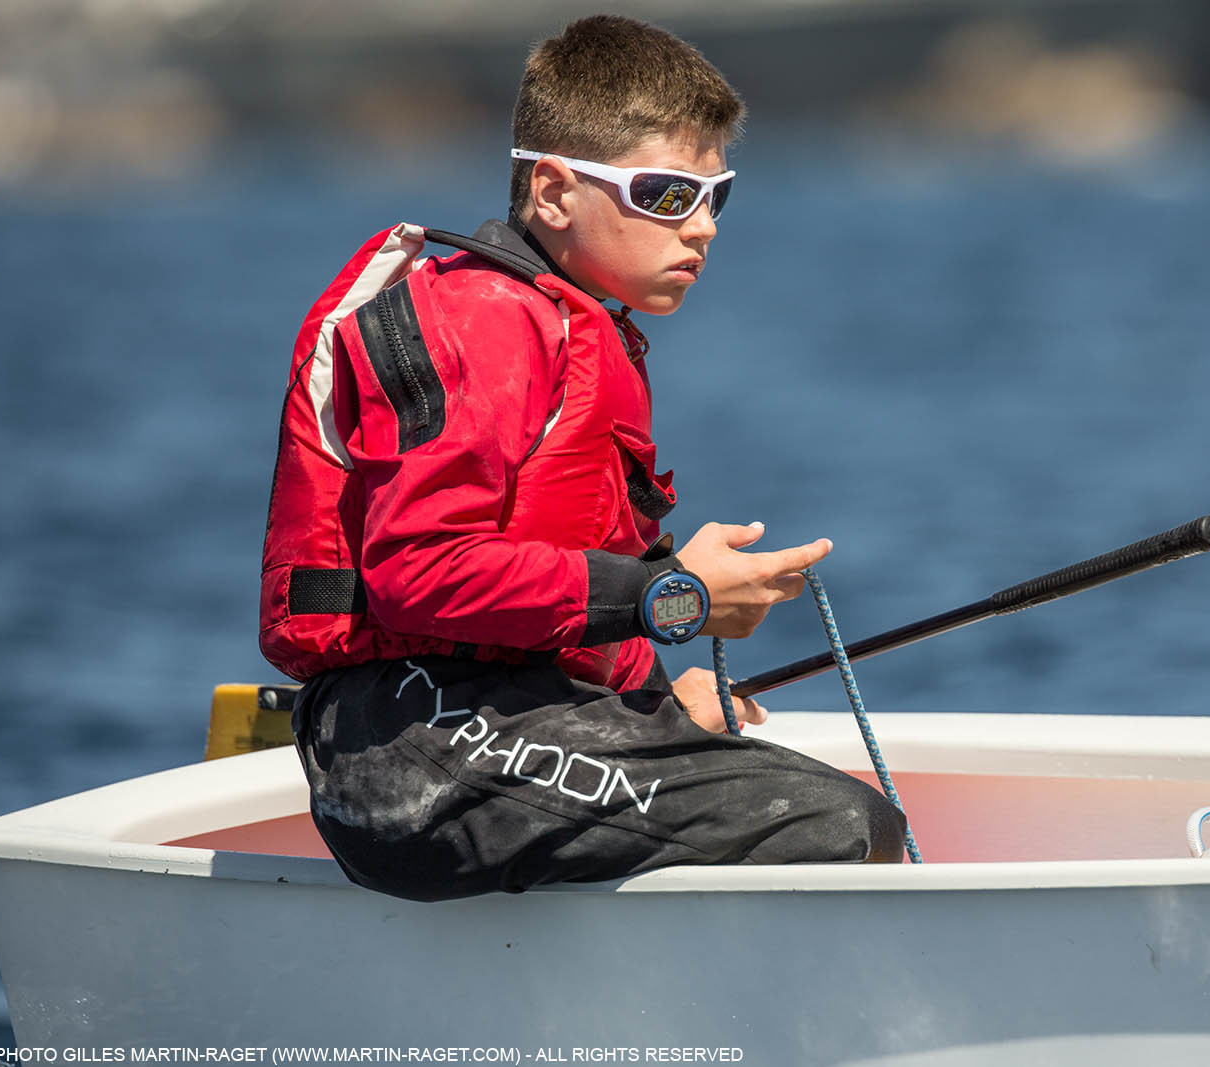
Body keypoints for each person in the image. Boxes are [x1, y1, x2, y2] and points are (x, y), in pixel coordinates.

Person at [259, 14, 907, 900]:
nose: (703, 229)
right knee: (843, 827)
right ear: (557, 193)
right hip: (412, 741)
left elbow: (556, 590)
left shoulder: (572, 327)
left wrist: (652, 707)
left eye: (717, 197)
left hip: (502, 718)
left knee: (820, 802)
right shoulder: (485, 320)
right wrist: (671, 594)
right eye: (668, 195)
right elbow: (421, 571)